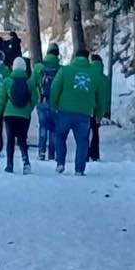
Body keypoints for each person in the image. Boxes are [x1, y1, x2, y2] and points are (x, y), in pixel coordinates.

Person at [50, 46, 105, 176]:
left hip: (65, 111)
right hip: (84, 113)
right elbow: (100, 97)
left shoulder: (65, 70)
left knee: (60, 136)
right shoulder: (95, 74)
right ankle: (79, 169)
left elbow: (54, 88)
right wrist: (99, 113)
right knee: (82, 141)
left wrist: (55, 104)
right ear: (87, 59)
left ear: (75, 57)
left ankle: (60, 163)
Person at [0, 56, 38, 173]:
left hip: (9, 115)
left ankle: (10, 164)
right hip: (24, 115)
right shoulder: (30, 82)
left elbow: (1, 99)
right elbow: (35, 98)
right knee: (22, 139)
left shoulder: (7, 81)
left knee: (10, 140)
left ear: (13, 67)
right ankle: (26, 162)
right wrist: (28, 108)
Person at [32, 42, 61, 161]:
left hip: (42, 101)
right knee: (54, 128)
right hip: (55, 102)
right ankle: (52, 153)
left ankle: (41, 152)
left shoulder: (39, 67)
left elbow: (32, 83)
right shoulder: (61, 69)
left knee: (43, 126)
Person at [89, 54, 112, 161]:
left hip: (88, 107)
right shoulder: (105, 79)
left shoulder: (89, 75)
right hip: (99, 110)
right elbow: (107, 97)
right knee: (95, 132)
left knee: (86, 132)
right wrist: (105, 111)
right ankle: (95, 154)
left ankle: (85, 153)